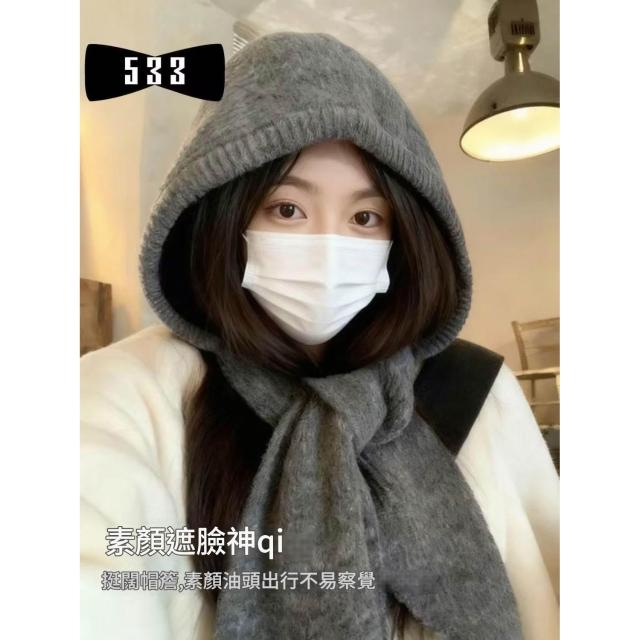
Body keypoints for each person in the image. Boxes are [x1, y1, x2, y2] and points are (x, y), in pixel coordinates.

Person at [80, 31, 559, 640]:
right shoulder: (123, 396)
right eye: (287, 209)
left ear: (403, 242)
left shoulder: (481, 391)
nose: (329, 249)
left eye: (365, 217)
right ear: (223, 218)